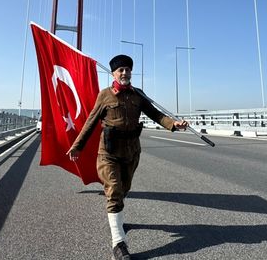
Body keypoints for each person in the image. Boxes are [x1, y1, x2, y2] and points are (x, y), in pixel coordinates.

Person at [66, 54, 188, 260]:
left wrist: (173, 124)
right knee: (114, 189)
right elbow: (91, 121)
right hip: (109, 152)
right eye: (120, 70)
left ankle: (118, 220)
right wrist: (77, 146)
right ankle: (118, 243)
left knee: (123, 189)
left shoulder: (138, 95)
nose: (124, 73)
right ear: (113, 73)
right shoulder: (105, 95)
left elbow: (155, 114)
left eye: (127, 70)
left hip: (131, 151)